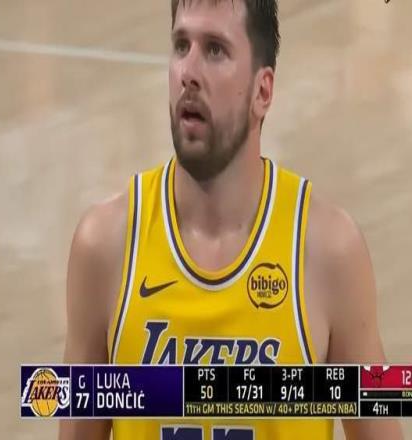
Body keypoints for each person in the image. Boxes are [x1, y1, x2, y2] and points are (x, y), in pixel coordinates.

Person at [59, 1, 404, 438]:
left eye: (215, 50)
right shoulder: (104, 245)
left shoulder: (331, 251)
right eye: (181, 45)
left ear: (263, 93)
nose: (189, 72)